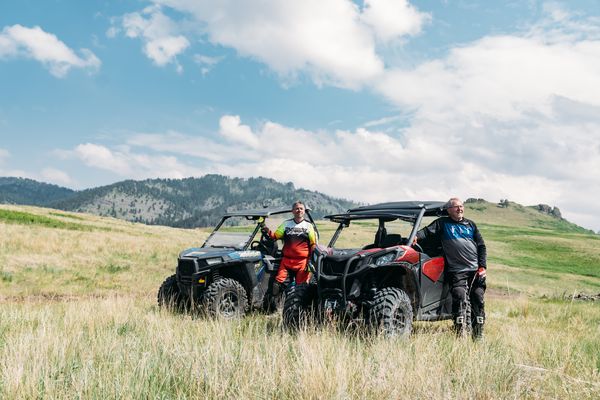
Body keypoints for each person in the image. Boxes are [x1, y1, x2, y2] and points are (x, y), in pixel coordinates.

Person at [415, 197, 487, 339]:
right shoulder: (442, 223)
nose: (460, 209)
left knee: (478, 297)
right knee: (459, 296)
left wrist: (482, 266)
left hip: (475, 269)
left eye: (461, 206)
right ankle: (460, 333)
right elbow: (426, 232)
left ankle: (478, 334)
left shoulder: (470, 225)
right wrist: (416, 236)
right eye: (456, 207)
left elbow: (481, 246)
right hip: (456, 270)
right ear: (449, 210)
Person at [262, 201, 317, 297]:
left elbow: (313, 244)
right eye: (296, 208)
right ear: (292, 211)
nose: (299, 210)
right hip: (286, 261)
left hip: (302, 262)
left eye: (301, 208)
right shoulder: (286, 224)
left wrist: (311, 261)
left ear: (304, 211)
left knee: (301, 288)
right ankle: (276, 306)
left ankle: (299, 309)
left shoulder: (309, 226)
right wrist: (266, 229)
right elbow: (275, 236)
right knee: (277, 285)